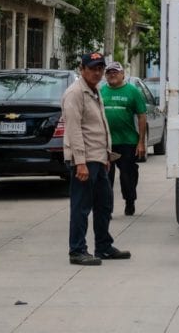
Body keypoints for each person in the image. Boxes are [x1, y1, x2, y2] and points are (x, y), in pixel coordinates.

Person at [62, 52, 131, 266]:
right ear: (82, 69)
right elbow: (73, 131)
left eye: (100, 68)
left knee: (104, 204)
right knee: (81, 206)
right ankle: (77, 251)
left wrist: (106, 155)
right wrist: (80, 162)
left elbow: (99, 125)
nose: (97, 72)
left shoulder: (95, 90)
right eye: (92, 68)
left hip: (99, 158)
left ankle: (103, 246)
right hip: (84, 159)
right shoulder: (75, 93)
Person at [101, 61, 147, 217]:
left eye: (115, 72)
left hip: (128, 142)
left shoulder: (132, 91)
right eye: (109, 72)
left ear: (122, 75)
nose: (112, 75)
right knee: (106, 177)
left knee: (128, 175)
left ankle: (130, 201)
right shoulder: (101, 91)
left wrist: (141, 142)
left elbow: (142, 116)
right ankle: (107, 208)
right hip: (106, 143)